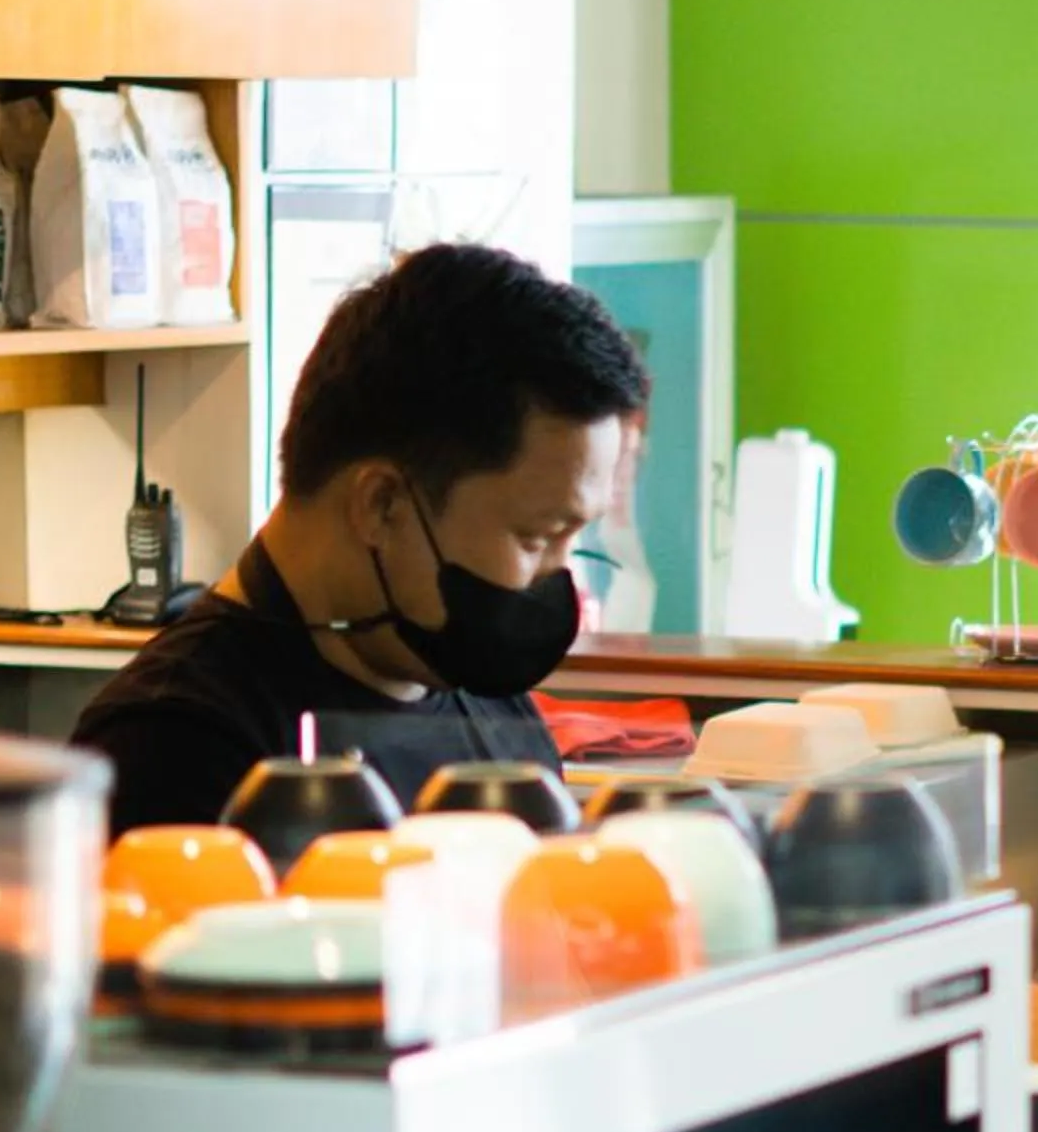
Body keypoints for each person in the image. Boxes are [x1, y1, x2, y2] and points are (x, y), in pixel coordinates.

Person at [73, 242, 647, 834]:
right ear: (381, 506)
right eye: (536, 537)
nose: (558, 576)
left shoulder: (490, 708)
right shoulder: (173, 744)